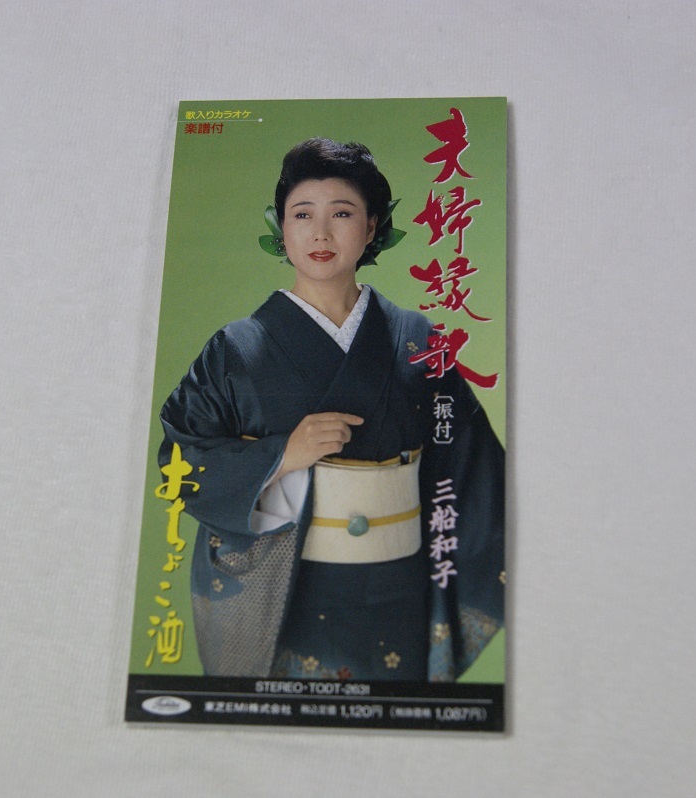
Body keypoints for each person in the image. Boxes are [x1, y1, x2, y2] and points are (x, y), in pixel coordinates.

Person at [158, 138, 505, 681]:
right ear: (281, 228)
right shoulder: (237, 349)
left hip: (398, 589)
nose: (320, 233)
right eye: (302, 214)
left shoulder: (416, 338)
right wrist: (282, 455)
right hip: (288, 593)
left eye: (342, 213)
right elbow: (179, 459)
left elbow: (476, 468)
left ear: (371, 227)